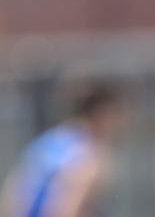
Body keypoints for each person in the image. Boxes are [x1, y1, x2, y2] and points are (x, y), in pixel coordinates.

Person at [0, 81, 125, 217]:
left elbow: (13, 193)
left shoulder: (48, 141)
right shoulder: (88, 155)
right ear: (102, 113)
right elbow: (67, 209)